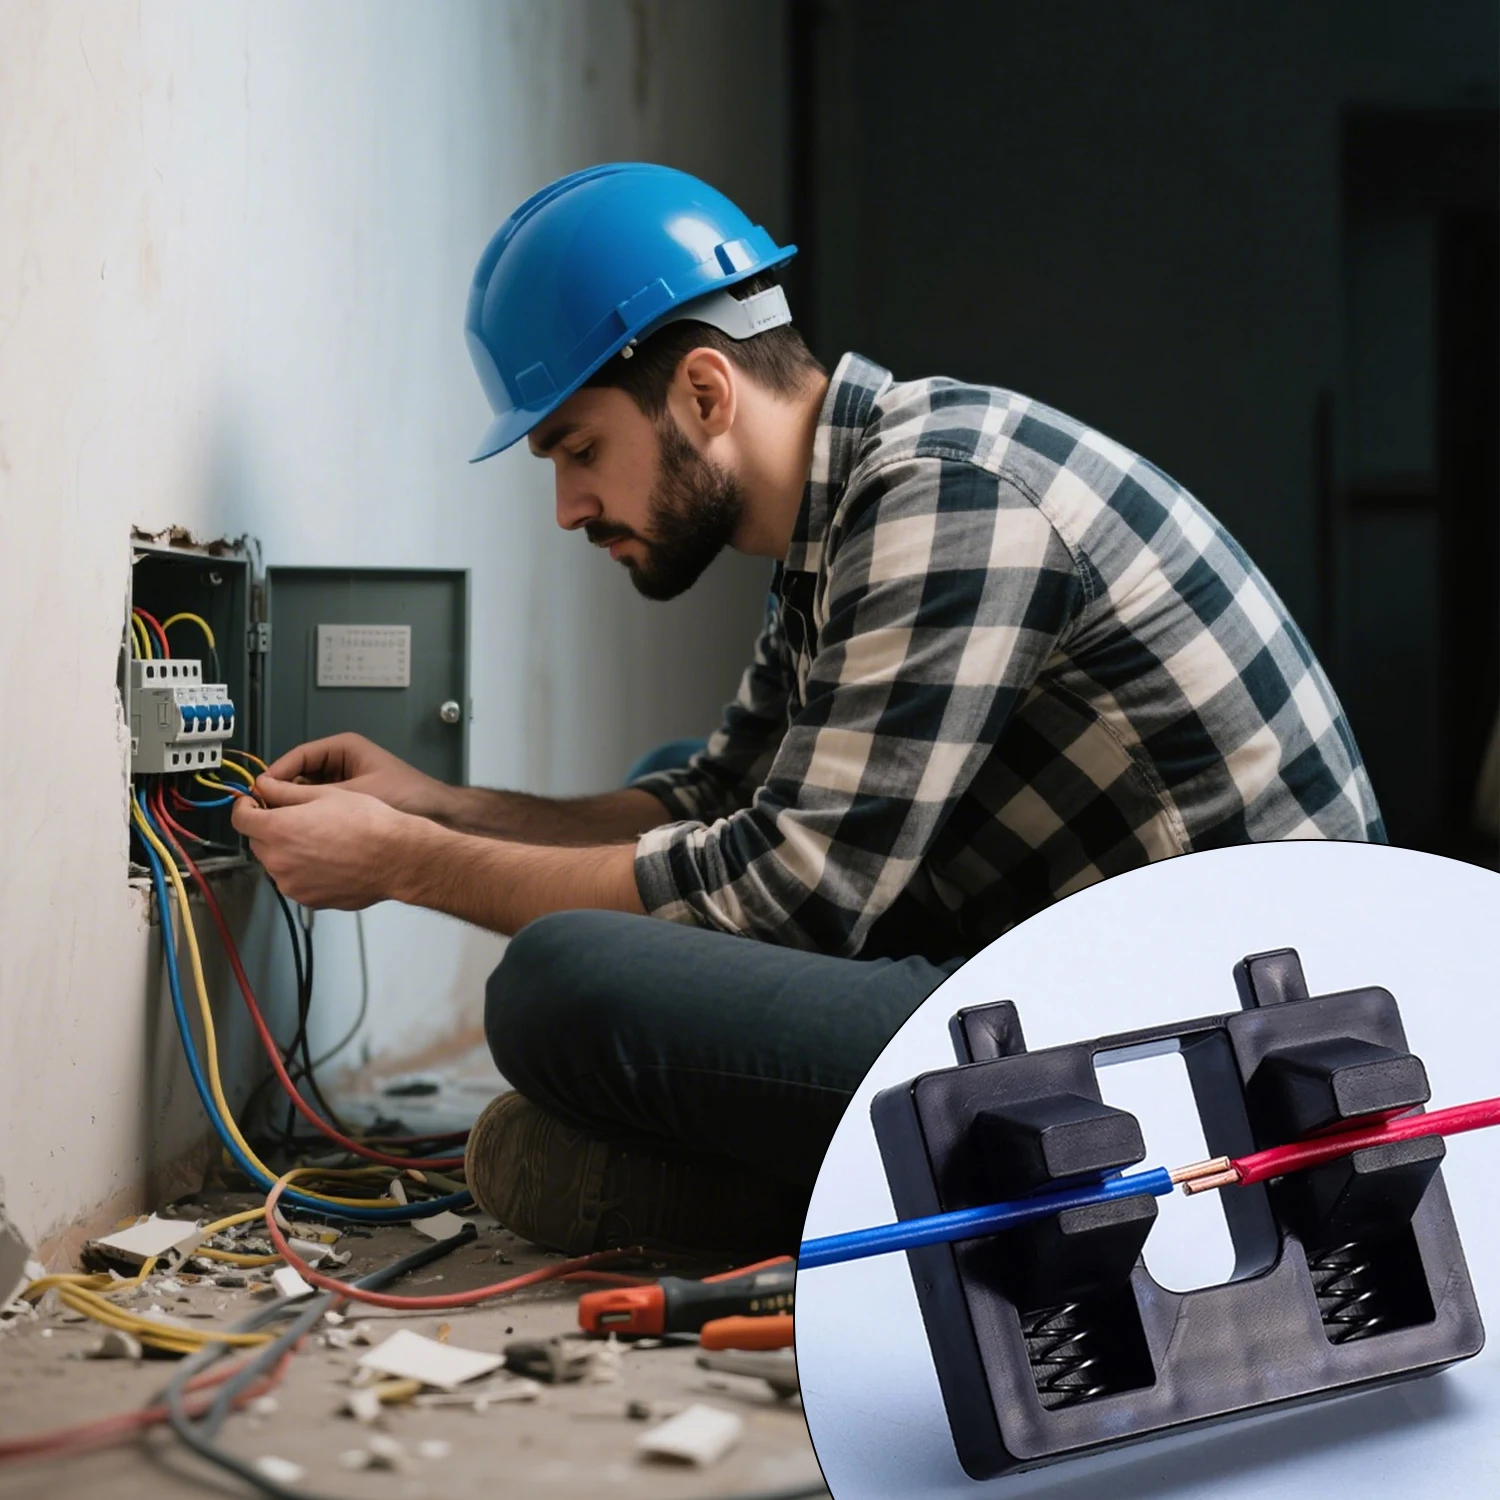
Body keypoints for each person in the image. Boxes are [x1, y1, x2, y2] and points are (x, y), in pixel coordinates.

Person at [233, 164, 1384, 1257]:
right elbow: (715, 794)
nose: (568, 506)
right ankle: (822, 1193)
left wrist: (414, 862)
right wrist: (440, 804)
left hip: (1214, 1073)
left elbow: (789, 893)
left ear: (701, 390)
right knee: (674, 794)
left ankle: (869, 1198)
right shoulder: (843, 517)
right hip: (1085, 987)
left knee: (559, 984)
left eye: (579, 449)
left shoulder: (947, 492)